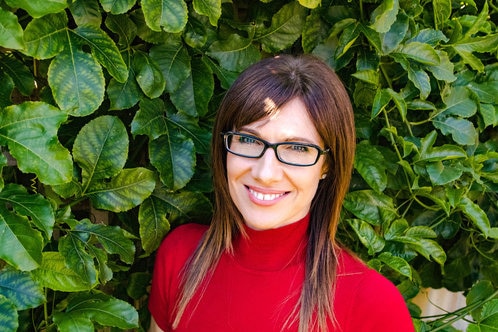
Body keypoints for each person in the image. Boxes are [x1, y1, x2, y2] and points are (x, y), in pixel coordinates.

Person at [148, 54, 415, 332]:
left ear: (327, 164)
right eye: (249, 140)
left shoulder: (373, 304)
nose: (265, 173)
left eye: (298, 148)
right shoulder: (180, 256)